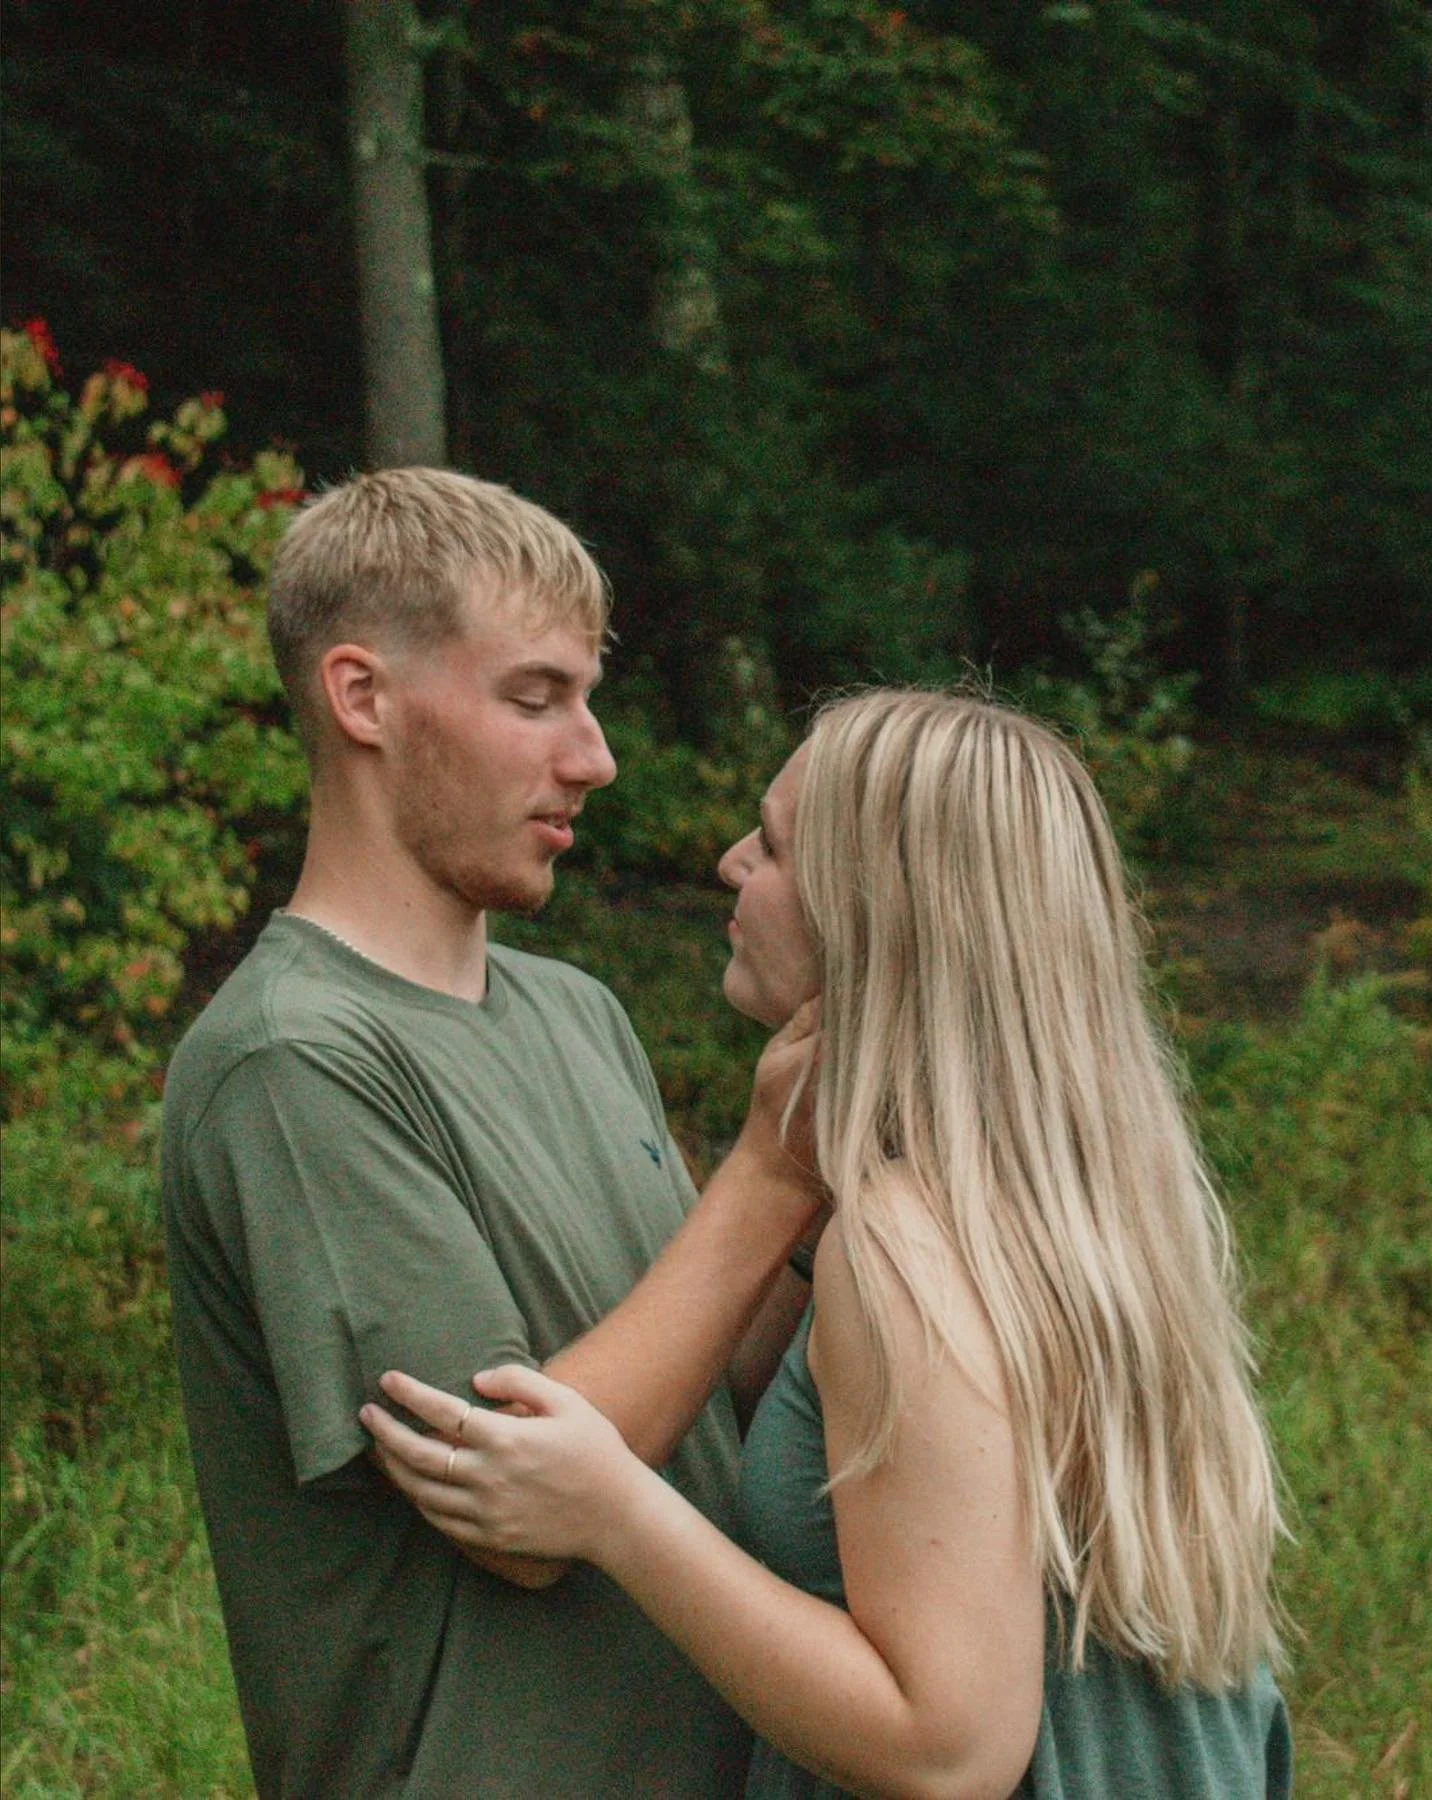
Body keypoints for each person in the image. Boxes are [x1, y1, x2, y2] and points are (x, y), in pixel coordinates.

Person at [366, 689, 1294, 1800]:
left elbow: (948, 1748)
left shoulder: (906, 1246)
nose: (727, 863)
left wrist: (615, 1510)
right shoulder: (1089, 1207)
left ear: (874, 912)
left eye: (771, 843)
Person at [161, 468, 823, 1799]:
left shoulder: (575, 1012)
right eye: (534, 699)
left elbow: (718, 1395)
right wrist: (766, 1171)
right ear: (362, 699)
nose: (594, 756)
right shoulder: (295, 1059)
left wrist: (849, 1208)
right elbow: (514, 1509)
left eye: (587, 699)